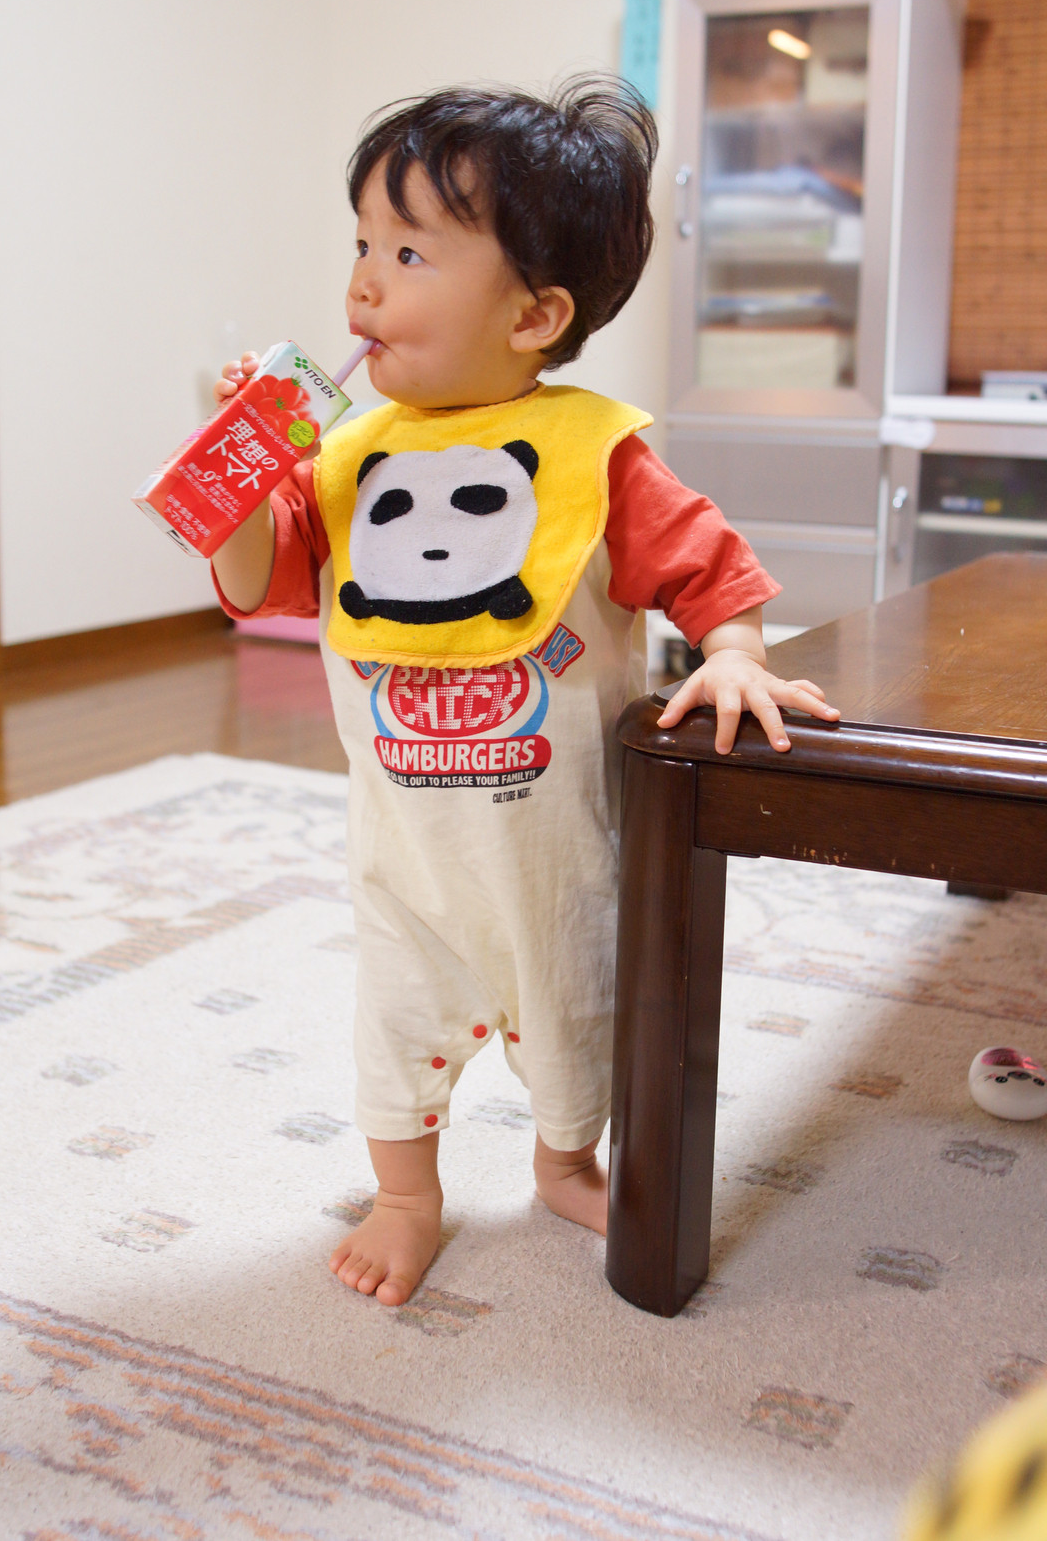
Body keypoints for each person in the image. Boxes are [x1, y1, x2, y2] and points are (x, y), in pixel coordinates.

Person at [210, 80, 840, 1307]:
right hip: (408, 857)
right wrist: (239, 481)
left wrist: (735, 653)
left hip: (561, 850)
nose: (364, 286)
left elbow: (710, 568)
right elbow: (253, 584)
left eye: (408, 254)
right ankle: (408, 1198)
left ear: (535, 314)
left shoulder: (593, 452)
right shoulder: (341, 455)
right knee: (394, 1028)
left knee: (577, 1022)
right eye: (360, 245)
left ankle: (563, 1164)